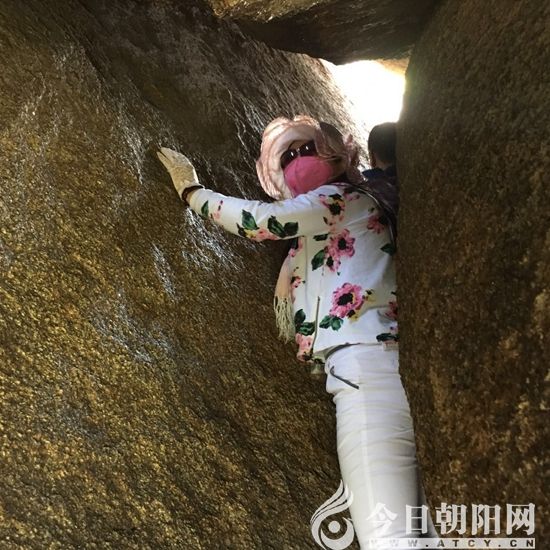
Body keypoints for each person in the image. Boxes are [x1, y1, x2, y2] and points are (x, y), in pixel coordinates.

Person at [157, 115, 435, 547]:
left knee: (390, 537)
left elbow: (261, 220)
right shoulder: (360, 204)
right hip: (388, 363)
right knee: (423, 530)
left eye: (307, 148)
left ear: (338, 153)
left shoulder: (340, 198)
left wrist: (193, 191)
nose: (297, 159)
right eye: (287, 157)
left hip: (364, 370)